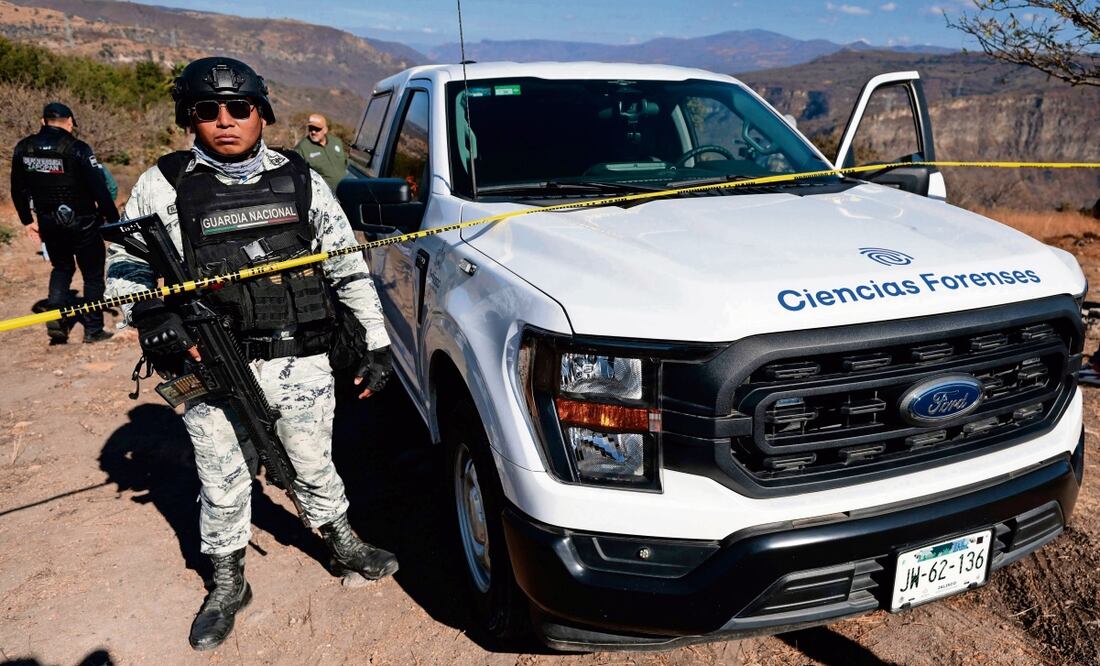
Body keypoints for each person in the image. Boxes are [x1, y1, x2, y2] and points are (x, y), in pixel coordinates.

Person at [105, 57, 397, 651]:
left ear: (261, 113)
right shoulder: (163, 184)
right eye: (207, 110)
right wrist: (151, 315)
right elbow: (125, 266)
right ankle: (228, 579)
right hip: (208, 362)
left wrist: (377, 343)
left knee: (311, 459)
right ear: (189, 118)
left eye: (239, 108)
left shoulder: (299, 179)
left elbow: (347, 267)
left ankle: (341, 539)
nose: (225, 121)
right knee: (222, 477)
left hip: (299, 359)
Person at [11, 102, 119, 344]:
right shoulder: (77, 148)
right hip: (83, 221)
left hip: (48, 220)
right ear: (69, 122)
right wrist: (113, 221)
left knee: (61, 268)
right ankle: (93, 330)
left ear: (43, 121)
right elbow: (100, 189)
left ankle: (56, 319)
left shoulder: (24, 147)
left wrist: (27, 221)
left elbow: (17, 189)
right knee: (92, 276)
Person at [293, 113, 348, 191]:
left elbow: (346, 163)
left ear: (325, 130)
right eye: (311, 128)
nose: (313, 132)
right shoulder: (302, 148)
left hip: (346, 188)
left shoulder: (336, 142)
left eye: (317, 129)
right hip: (325, 193)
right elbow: (297, 174)